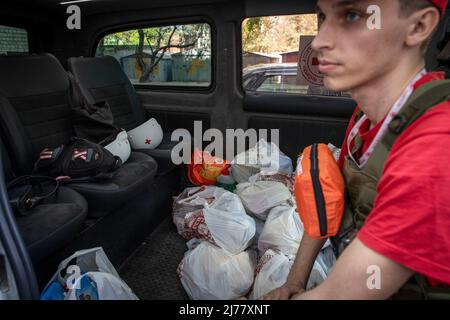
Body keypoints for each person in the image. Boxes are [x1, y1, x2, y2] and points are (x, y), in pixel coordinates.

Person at [263, 0, 450, 300]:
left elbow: (340, 295)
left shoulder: (437, 142)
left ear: (418, 26)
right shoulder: (363, 119)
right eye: (323, 16)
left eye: (351, 15)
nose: (321, 40)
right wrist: (294, 282)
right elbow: (330, 197)